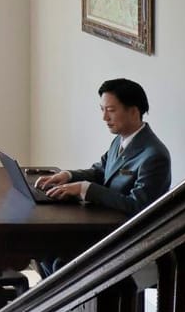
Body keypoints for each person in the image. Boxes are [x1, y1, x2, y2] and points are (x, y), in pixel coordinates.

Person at [36, 79, 171, 218]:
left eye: (111, 110)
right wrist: (68, 176)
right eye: (102, 109)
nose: (104, 117)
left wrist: (85, 189)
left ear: (133, 112)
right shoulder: (120, 139)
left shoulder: (155, 156)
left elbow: (138, 206)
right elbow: (101, 172)